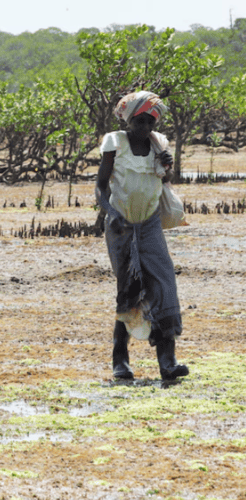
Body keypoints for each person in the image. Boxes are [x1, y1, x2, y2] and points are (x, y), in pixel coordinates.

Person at [96, 91, 189, 381]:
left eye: (150, 122)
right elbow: (101, 186)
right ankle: (120, 361)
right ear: (128, 119)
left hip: (149, 223)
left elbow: (166, 181)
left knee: (164, 285)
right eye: (140, 121)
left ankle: (168, 360)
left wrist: (167, 165)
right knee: (130, 288)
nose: (145, 127)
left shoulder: (158, 143)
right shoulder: (115, 142)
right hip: (120, 225)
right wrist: (110, 213)